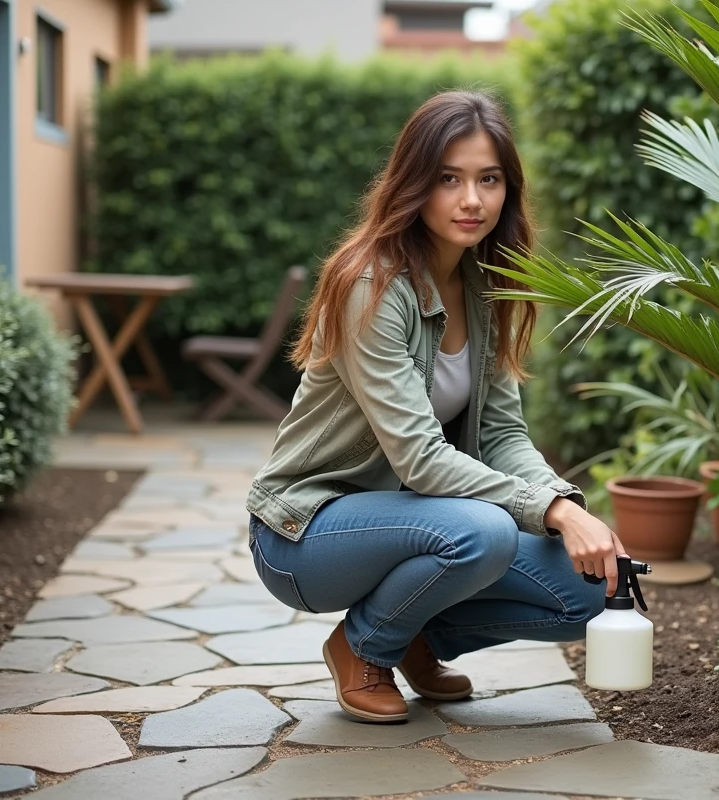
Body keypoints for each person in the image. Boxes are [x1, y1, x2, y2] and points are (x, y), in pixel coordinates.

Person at [245, 90, 626, 724]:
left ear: (509, 189)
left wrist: (568, 505)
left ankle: (412, 636)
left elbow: (503, 432)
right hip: (304, 535)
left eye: (489, 179)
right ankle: (361, 647)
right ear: (414, 182)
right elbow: (419, 459)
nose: (471, 199)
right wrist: (551, 510)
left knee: (590, 591)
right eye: (449, 179)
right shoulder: (372, 284)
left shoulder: (486, 281)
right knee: (485, 530)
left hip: (417, 524)